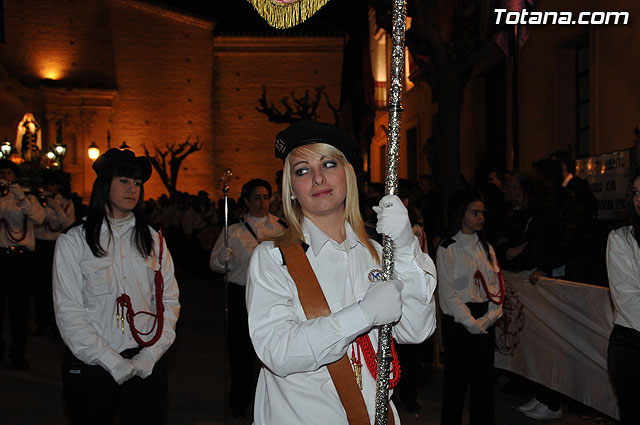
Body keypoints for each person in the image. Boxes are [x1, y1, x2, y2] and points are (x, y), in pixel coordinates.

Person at [246, 120, 437, 424]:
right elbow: (277, 351)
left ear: (348, 175)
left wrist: (404, 248)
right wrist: (363, 315)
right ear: (291, 190)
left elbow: (416, 331)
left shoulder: (377, 254)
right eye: (302, 170)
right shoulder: (273, 259)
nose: (318, 178)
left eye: (329, 163)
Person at [52, 148, 180, 425]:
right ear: (104, 184)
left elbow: (169, 300)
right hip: (93, 365)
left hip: (146, 362)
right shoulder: (74, 240)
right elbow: (69, 311)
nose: (132, 189)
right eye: (124, 181)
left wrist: (151, 355)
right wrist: (112, 361)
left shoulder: (153, 238)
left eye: (137, 183)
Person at [209, 177, 287, 418]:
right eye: (256, 197)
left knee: (274, 351)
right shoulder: (233, 231)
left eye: (266, 197)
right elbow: (214, 265)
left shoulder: (282, 228)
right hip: (240, 295)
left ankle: (276, 403)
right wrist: (222, 258)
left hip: (272, 298)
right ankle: (240, 401)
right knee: (240, 352)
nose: (262, 202)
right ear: (246, 200)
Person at [436, 188, 504, 425]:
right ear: (461, 214)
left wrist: (489, 317)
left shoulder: (486, 248)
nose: (480, 218)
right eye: (475, 213)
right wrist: (470, 323)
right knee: (455, 384)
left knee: (484, 384)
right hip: (459, 322)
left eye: (482, 213)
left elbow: (496, 287)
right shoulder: (447, 248)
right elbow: (447, 293)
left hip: (484, 317)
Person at [0, 158, 46, 369]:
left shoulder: (27, 198)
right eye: (2, 172)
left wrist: (21, 197)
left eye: (9, 172)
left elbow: (39, 218)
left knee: (20, 309)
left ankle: (18, 352)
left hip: (22, 258)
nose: (5, 176)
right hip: (1, 256)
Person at [605, 168, 640, 424]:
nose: (639, 199)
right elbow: (628, 298)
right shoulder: (621, 239)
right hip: (632, 346)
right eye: (636, 192)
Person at [32, 170, 75, 338]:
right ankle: (41, 323)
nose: (50, 188)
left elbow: (69, 225)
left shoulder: (66, 203)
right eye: (47, 184)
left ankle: (58, 326)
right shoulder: (36, 202)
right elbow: (38, 221)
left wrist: (56, 207)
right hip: (40, 245)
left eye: (53, 184)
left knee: (56, 287)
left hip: (57, 245)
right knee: (40, 287)